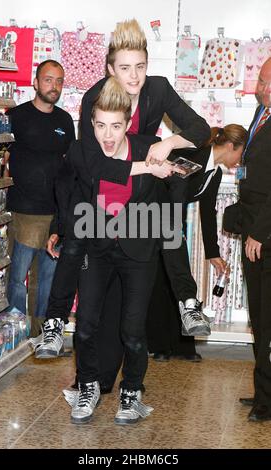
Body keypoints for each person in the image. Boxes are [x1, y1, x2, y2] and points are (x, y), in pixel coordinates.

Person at [32, 19, 210, 368]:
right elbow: (93, 165)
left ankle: (187, 303)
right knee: (75, 236)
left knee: (169, 224)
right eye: (125, 68)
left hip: (137, 185)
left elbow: (200, 129)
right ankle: (54, 322)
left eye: (140, 67)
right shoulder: (94, 98)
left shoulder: (157, 89)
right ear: (110, 68)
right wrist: (149, 162)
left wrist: (169, 142)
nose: (134, 77)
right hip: (99, 181)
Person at [57, 77, 178, 424]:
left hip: (138, 251)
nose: (107, 135)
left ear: (128, 124)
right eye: (100, 126)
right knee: (85, 326)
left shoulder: (149, 147)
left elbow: (181, 176)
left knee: (132, 330)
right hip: (96, 248)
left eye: (115, 126)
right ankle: (89, 385)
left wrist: (172, 162)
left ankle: (132, 393)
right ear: (91, 123)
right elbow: (70, 191)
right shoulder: (86, 152)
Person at [147, 124, 248, 362]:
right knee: (161, 281)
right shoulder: (194, 156)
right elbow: (170, 189)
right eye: (241, 152)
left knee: (174, 281)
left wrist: (213, 253)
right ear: (231, 147)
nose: (241, 159)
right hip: (153, 216)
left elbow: (208, 211)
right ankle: (160, 345)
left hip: (170, 223)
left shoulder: (215, 173)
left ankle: (180, 346)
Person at [6, 60, 75, 323]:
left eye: (59, 81)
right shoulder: (16, 116)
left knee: (48, 280)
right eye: (48, 79)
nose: (54, 86)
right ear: (35, 83)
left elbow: (70, 166)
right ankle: (13, 333)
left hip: (56, 214)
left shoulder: (65, 121)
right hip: (24, 210)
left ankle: (42, 334)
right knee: (17, 278)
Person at [234, 57, 271, 422]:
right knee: (258, 316)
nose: (261, 88)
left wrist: (259, 232)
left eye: (266, 82)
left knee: (267, 316)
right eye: (261, 80)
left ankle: (267, 399)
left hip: (265, 231)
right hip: (252, 226)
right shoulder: (261, 113)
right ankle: (263, 390)